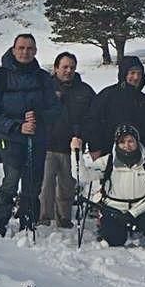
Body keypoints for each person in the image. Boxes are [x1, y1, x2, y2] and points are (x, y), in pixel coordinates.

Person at [0, 34, 62, 235]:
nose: (25, 52)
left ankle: (28, 223)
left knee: (33, 182)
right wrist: (16, 126)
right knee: (12, 178)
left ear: (35, 51)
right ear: (13, 49)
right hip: (9, 138)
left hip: (37, 138)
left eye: (29, 48)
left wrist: (39, 117)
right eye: (21, 48)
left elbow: (56, 109)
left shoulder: (43, 78)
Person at [80, 124, 145, 255]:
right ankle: (108, 230)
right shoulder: (107, 162)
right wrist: (76, 152)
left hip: (140, 208)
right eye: (122, 142)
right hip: (114, 209)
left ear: (137, 142)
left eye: (130, 141)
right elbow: (82, 175)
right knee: (115, 239)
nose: (127, 145)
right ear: (117, 143)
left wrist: (133, 213)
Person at [40, 51, 93, 228]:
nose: (68, 70)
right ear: (56, 68)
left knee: (67, 185)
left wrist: (82, 135)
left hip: (72, 147)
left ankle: (64, 217)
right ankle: (43, 217)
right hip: (47, 144)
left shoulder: (84, 91)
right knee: (46, 184)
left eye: (72, 67)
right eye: (64, 67)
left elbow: (92, 118)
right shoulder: (44, 88)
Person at [86, 55, 145, 160]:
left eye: (139, 73)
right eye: (132, 73)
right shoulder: (107, 95)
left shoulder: (143, 100)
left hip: (137, 154)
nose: (136, 77)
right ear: (124, 74)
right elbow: (92, 122)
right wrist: (95, 147)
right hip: (107, 152)